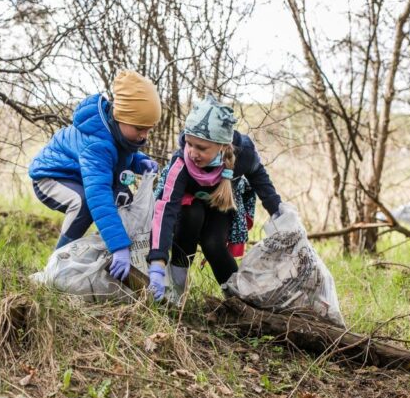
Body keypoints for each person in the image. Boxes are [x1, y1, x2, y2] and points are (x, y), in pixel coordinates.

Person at [146, 95, 284, 300]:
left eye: (201, 148)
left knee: (213, 244)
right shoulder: (181, 163)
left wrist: (280, 213)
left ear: (222, 145)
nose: (192, 152)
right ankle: (177, 294)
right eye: (189, 143)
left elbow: (261, 182)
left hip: (222, 201)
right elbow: (165, 209)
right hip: (188, 207)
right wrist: (157, 262)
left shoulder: (244, 154)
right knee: (191, 217)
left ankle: (240, 301)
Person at [29, 70, 161, 281]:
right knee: (83, 204)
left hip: (80, 175)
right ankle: (54, 269)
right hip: (51, 176)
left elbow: (119, 158)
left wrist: (138, 161)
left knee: (123, 199)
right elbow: (98, 195)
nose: (144, 135)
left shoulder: (120, 134)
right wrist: (119, 246)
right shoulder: (97, 145)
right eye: (140, 128)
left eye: (149, 129)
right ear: (120, 117)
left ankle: (106, 265)